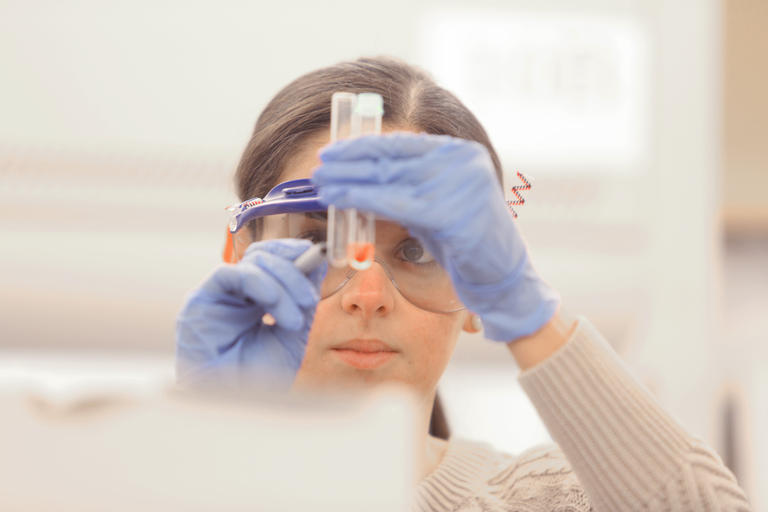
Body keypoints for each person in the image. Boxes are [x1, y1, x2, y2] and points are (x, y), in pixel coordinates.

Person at [175, 57, 751, 511]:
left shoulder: (553, 501)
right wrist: (208, 454)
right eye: (317, 243)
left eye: (417, 249)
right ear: (239, 257)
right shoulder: (157, 486)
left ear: (477, 294)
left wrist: (530, 311)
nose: (366, 296)